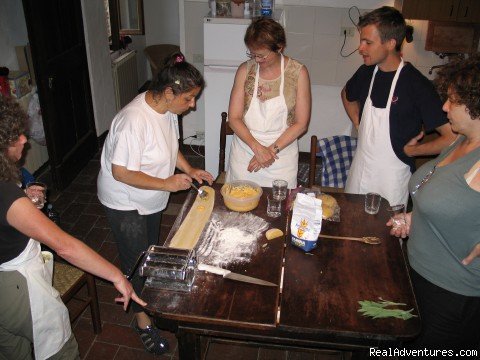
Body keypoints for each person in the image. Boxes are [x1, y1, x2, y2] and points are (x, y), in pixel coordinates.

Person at [0, 96, 145, 360]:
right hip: (17, 291)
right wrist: (117, 276)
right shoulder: (6, 195)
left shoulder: (8, 187)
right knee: (61, 352)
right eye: (14, 137)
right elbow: (65, 247)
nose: (24, 140)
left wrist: (24, 200)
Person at [97, 52, 213, 354]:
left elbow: (171, 149)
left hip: (149, 196)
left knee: (149, 249)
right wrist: (166, 183)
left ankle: (146, 298)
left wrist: (189, 170)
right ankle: (141, 319)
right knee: (135, 258)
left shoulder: (168, 112)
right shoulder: (132, 120)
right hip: (125, 201)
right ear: (168, 92)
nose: (193, 105)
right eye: (189, 98)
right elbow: (119, 171)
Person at [389, 54, 480, 355]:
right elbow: (451, 200)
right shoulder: (460, 142)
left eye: (453, 101)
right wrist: (417, 218)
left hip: (450, 295)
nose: (444, 107)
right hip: (419, 276)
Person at [341, 6, 456, 206]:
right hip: (359, 172)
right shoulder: (366, 72)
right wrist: (357, 121)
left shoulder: (416, 84)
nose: (361, 48)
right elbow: (346, 94)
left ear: (390, 43)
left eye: (368, 42)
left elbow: (452, 137)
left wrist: (414, 151)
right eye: (362, 41)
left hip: (391, 182)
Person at [226, 17, 311, 188]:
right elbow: (233, 118)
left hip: (281, 159)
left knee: (278, 208)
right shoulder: (245, 70)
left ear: (279, 47)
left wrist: (269, 152)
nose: (256, 60)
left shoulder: (297, 73)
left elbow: (301, 124)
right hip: (245, 154)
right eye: (252, 54)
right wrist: (257, 148)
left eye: (262, 55)